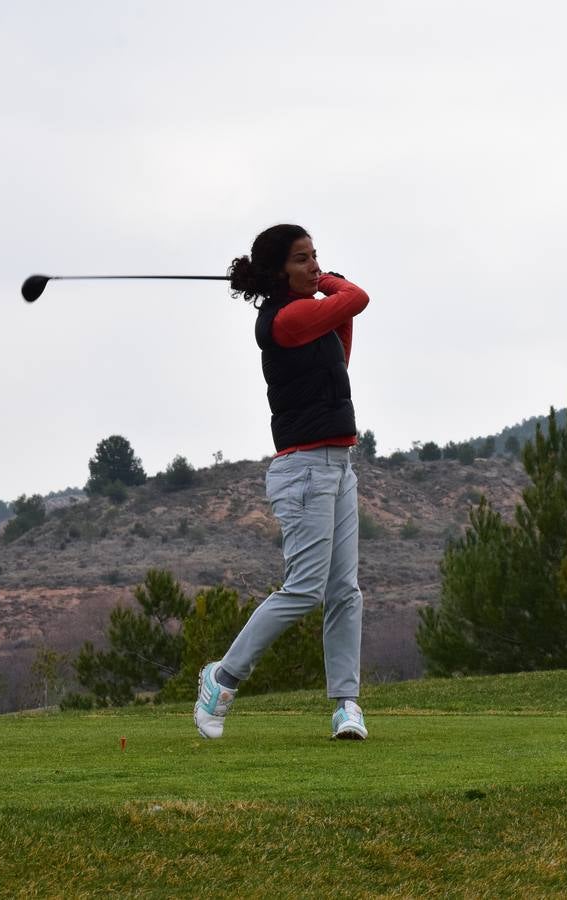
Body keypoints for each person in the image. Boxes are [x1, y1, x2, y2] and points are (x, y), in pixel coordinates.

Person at [193, 224, 371, 740]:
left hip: (338, 464)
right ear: (278, 273)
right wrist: (333, 282)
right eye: (302, 259)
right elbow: (356, 297)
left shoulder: (310, 320)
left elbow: (342, 342)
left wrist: (324, 285)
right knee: (304, 589)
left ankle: (345, 705)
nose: (314, 265)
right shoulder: (285, 320)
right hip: (305, 470)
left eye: (316, 256)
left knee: (345, 592)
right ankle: (221, 679)